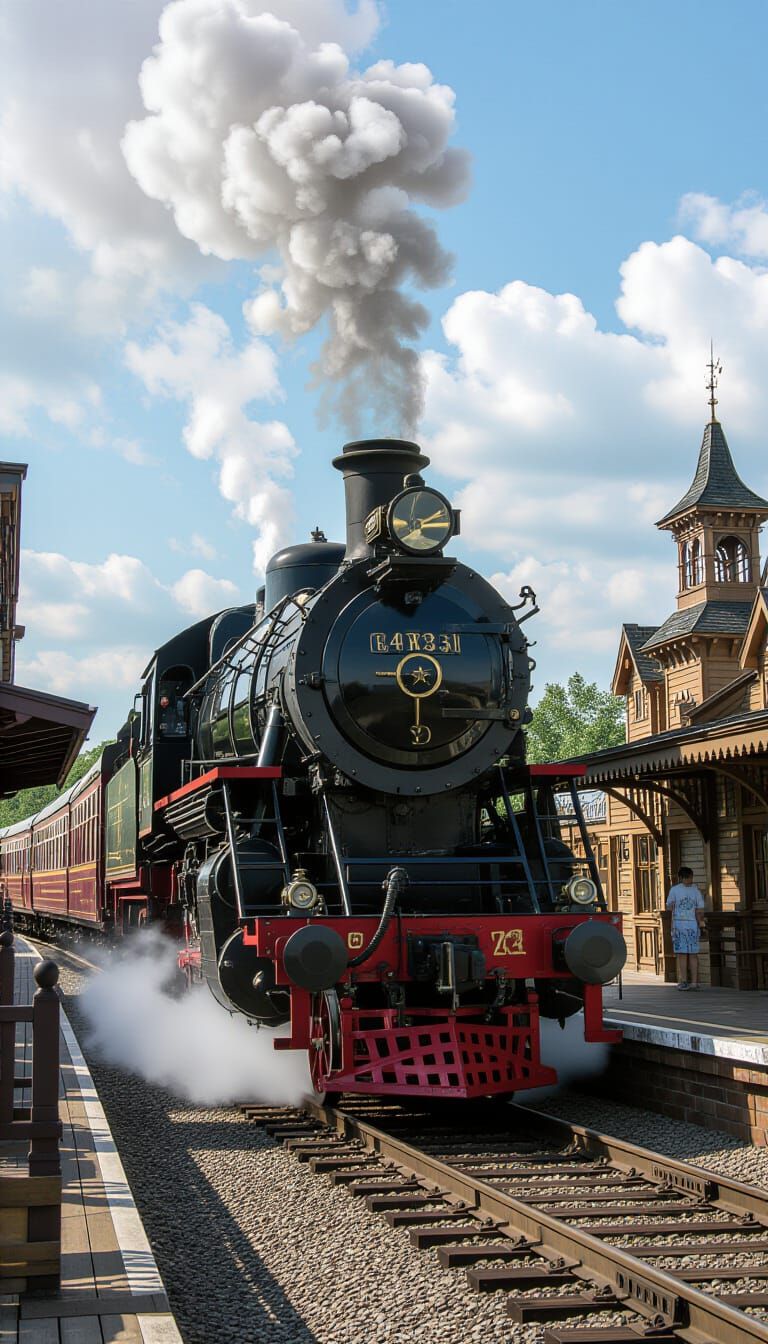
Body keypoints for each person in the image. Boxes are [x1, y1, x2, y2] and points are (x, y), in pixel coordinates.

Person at [666, 866, 706, 990]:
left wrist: (700, 921)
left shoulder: (694, 891)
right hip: (681, 925)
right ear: (682, 878)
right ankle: (684, 980)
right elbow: (669, 906)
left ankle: (693, 982)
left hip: (689, 924)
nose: (690, 880)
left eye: (691, 877)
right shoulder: (677, 890)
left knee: (692, 954)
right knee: (683, 954)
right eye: (687, 877)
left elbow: (699, 909)